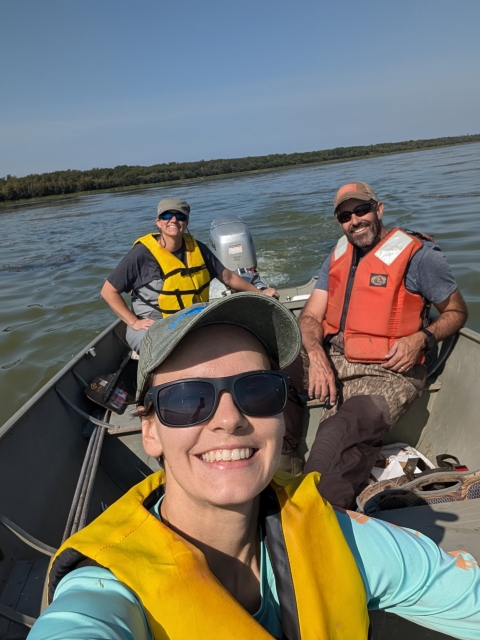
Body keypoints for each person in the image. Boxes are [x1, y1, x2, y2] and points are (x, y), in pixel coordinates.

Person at [30, 294, 480, 640]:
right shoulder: (105, 588)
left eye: (258, 390)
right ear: (151, 432)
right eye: (188, 400)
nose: (229, 419)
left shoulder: (340, 536)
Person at [283, 181, 468, 509]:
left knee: (336, 440)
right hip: (335, 357)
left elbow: (457, 311)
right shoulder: (338, 255)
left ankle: (320, 519)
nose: (354, 220)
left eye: (361, 210)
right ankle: (283, 463)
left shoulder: (420, 256)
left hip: (389, 372)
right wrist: (316, 354)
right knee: (274, 375)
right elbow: (310, 317)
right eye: (344, 216)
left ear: (378, 209)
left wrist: (421, 339)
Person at [100, 197, 278, 352]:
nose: (174, 220)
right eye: (167, 216)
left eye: (180, 216)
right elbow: (108, 291)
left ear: (186, 222)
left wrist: (260, 292)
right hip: (153, 326)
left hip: (192, 320)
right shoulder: (141, 254)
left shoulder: (198, 249)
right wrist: (134, 322)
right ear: (158, 222)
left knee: (234, 340)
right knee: (163, 351)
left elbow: (228, 277)